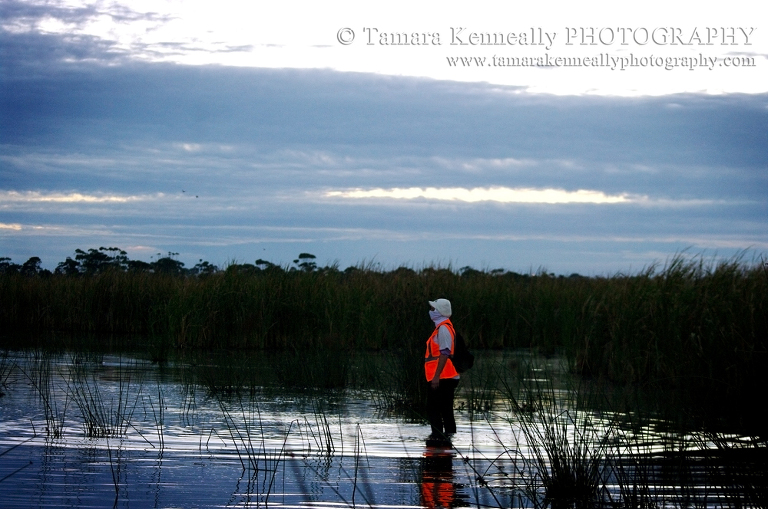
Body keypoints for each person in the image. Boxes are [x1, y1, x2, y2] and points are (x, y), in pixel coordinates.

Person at [424, 298, 459, 441]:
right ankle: (447, 439)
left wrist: (436, 377)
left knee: (434, 409)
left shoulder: (443, 328)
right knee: (445, 410)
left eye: (433, 309)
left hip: (444, 377)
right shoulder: (443, 327)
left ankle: (438, 438)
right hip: (445, 376)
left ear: (440, 312)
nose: (431, 311)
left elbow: (445, 353)